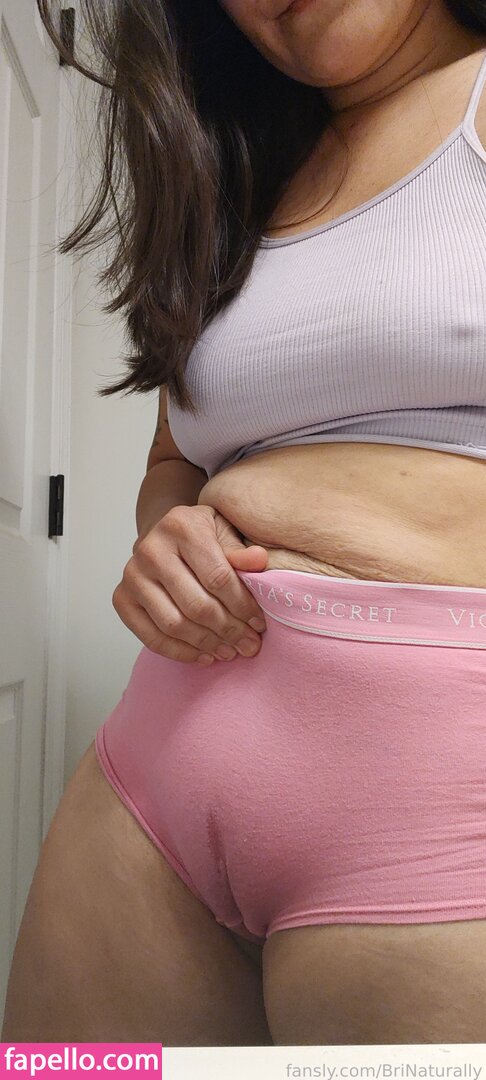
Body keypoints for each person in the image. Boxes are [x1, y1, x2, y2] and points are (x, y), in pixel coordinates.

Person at [3, 0, 486, 1047]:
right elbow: (177, 462)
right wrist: (165, 534)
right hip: (153, 790)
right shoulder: (239, 182)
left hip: (440, 795)